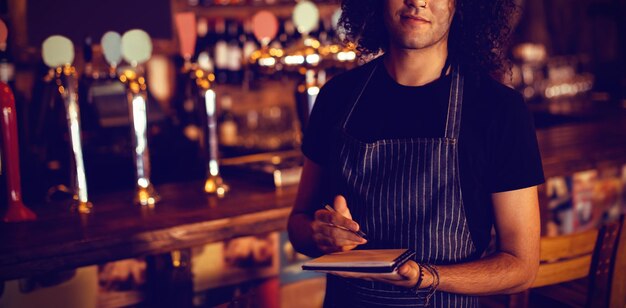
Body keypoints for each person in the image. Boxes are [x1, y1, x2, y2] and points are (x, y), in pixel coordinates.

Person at [287, 0, 545, 307]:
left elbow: (522, 267)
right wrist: (319, 234)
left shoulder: (499, 110)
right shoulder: (337, 97)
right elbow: (298, 226)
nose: (418, 2)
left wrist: (425, 277)